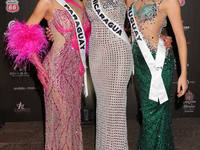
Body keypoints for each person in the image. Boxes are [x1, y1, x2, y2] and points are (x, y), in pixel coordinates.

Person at [4, 0, 91, 149]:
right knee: (63, 120)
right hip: (56, 70)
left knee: (73, 122)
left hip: (75, 71)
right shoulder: (47, 2)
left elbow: (85, 34)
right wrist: (37, 64)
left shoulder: (80, 2)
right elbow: (22, 35)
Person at [126, 0, 188, 149]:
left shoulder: (169, 1)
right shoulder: (130, 0)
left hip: (158, 64)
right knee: (149, 116)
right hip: (141, 64)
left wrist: (183, 74)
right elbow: (135, 31)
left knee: (154, 114)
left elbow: (180, 38)